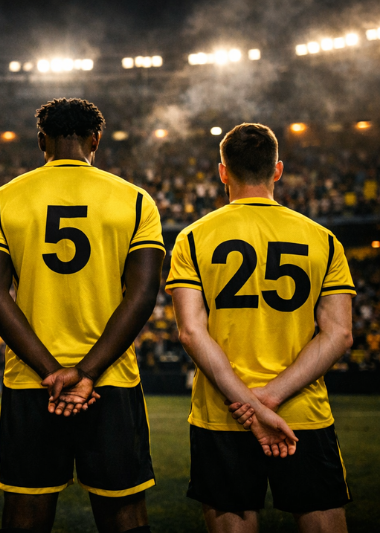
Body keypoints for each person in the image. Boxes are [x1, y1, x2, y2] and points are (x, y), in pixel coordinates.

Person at [0, 98, 164, 533]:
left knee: (25, 510)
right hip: (111, 379)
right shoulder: (135, 200)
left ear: (42, 140)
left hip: (31, 380)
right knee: (124, 511)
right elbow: (142, 294)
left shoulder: (2, 199)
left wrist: (51, 372)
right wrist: (87, 372)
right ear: (96, 140)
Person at [167, 123, 354, 533]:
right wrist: (272, 397)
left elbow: (191, 332)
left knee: (233, 523)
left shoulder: (193, 237)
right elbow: (339, 333)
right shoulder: (323, 239)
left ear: (222, 172)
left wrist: (249, 407)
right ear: (278, 170)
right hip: (301, 412)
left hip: (224, 413)